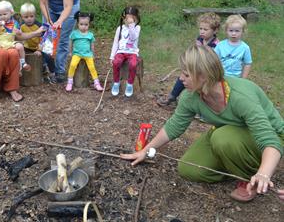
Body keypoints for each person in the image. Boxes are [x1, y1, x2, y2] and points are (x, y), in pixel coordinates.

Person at [121, 45, 283, 202]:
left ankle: (250, 178)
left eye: (186, 74)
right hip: (231, 135)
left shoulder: (241, 96)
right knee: (188, 168)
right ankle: (233, 161)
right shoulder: (191, 96)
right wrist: (146, 150)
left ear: (204, 75)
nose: (180, 78)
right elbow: (174, 126)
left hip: (271, 138)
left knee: (222, 138)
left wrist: (263, 173)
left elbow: (269, 139)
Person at [158, 12, 221, 107]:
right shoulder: (200, 39)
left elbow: (213, 62)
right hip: (195, 67)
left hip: (206, 71)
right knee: (183, 76)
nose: (202, 31)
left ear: (215, 30)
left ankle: (203, 106)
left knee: (201, 85)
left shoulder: (217, 45)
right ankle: (173, 96)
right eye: (200, 29)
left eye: (205, 29)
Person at [38, 0, 80, 83]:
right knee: (47, 38)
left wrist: (60, 21)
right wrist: (49, 19)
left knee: (63, 40)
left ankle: (60, 72)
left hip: (69, 8)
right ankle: (46, 69)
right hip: (50, 8)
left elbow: (68, 5)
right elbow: (43, 2)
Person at [0, 0, 30, 72]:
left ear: (11, 13)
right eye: (0, 15)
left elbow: (20, 33)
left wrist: (17, 31)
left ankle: (23, 62)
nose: (2, 17)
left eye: (5, 14)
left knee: (20, 46)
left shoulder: (15, 23)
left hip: (10, 41)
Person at [65, 11, 103, 92]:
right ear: (78, 24)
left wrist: (92, 53)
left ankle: (96, 82)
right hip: (77, 54)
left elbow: (92, 44)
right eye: (81, 24)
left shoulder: (90, 35)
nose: (83, 27)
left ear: (89, 24)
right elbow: (70, 42)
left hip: (87, 54)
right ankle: (70, 81)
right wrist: (70, 52)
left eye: (86, 25)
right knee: (72, 65)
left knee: (92, 67)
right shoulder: (74, 33)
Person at [109, 6, 141, 97]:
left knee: (133, 64)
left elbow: (133, 37)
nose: (129, 20)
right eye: (127, 18)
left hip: (132, 52)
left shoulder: (137, 28)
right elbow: (115, 42)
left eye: (132, 18)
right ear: (123, 19)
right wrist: (112, 56)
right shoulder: (120, 28)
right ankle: (116, 82)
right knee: (116, 62)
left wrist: (131, 25)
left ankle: (130, 84)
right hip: (121, 51)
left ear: (136, 19)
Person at [20, 3, 55, 82]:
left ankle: (52, 73)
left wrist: (39, 50)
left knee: (48, 58)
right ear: (22, 17)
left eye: (31, 16)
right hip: (27, 47)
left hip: (38, 46)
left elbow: (43, 39)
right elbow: (20, 37)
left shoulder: (39, 26)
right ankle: (24, 73)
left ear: (35, 16)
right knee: (22, 57)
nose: (29, 19)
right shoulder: (21, 26)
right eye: (26, 17)